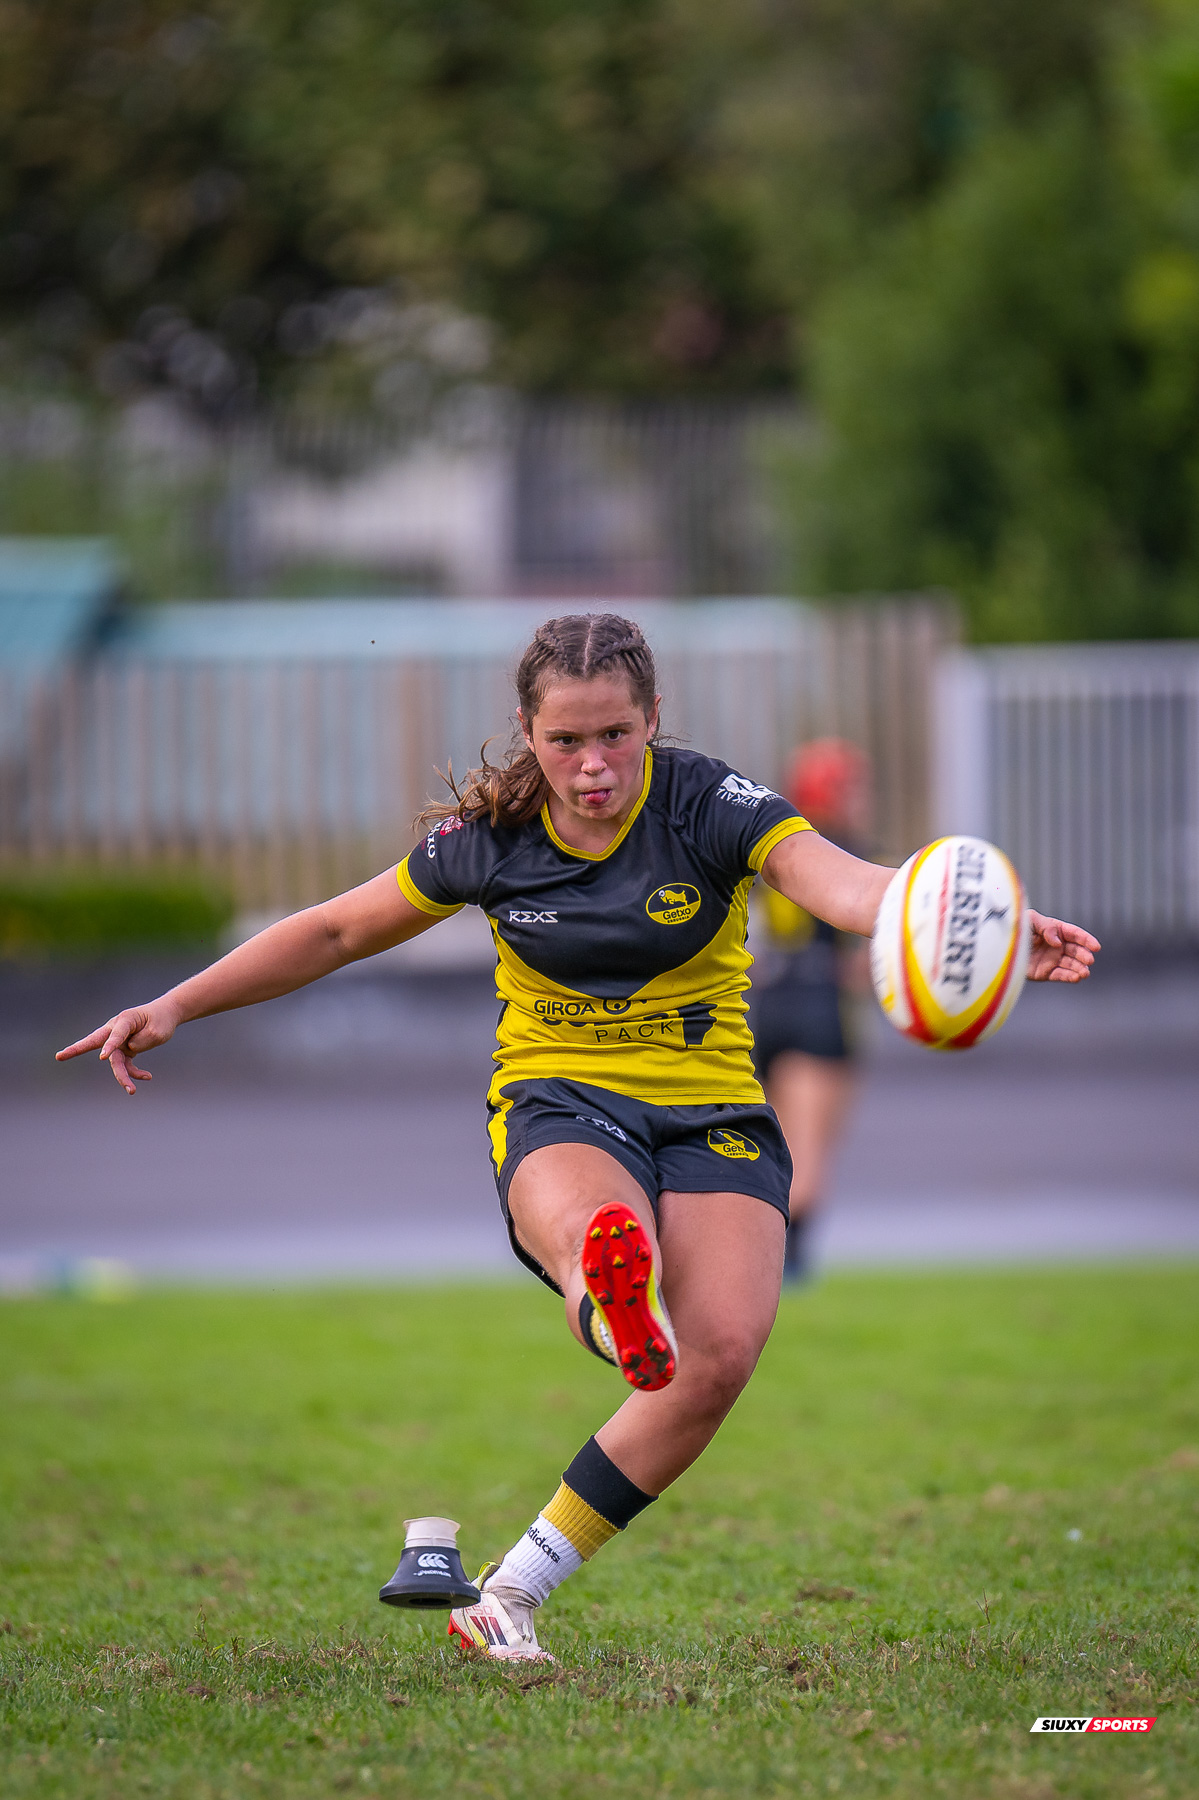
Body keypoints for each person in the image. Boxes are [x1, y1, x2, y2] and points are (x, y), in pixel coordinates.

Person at [56, 613, 1100, 1663]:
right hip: (559, 1099)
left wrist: (971, 922)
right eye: (565, 741)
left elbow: (849, 885)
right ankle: (611, 1294)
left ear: (652, 718)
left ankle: (508, 1590)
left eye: (614, 735)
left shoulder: (710, 803)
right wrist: (176, 1004)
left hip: (712, 1108)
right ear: (527, 731)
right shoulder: (491, 840)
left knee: (719, 1357)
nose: (592, 765)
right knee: (601, 1231)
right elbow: (333, 929)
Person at [749, 739, 872, 1281]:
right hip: (820, 1010)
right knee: (808, 1155)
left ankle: (764, 1254)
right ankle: (787, 1264)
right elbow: (866, 959)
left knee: (771, 1144)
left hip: (767, 1006)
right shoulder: (847, 857)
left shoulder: (775, 855)